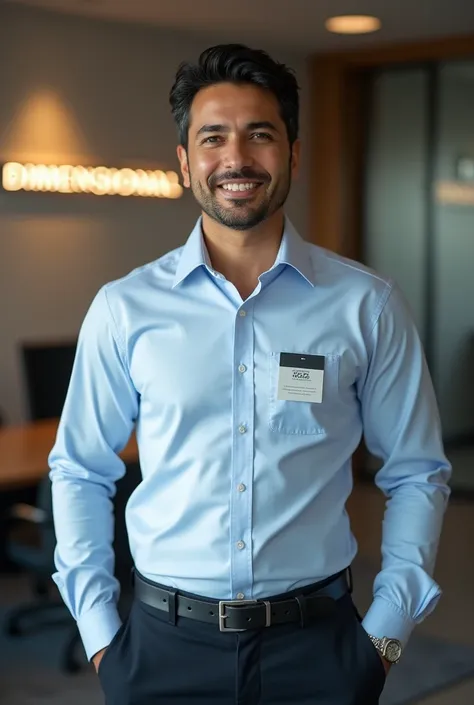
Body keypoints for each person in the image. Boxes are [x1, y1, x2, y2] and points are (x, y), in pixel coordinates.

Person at [48, 44, 451, 705]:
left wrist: (384, 634)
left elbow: (416, 469)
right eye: (213, 138)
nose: (236, 158)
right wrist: (101, 634)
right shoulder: (125, 309)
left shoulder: (365, 304)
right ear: (185, 162)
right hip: (159, 649)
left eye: (260, 134)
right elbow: (81, 470)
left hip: (320, 650)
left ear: (293, 152)